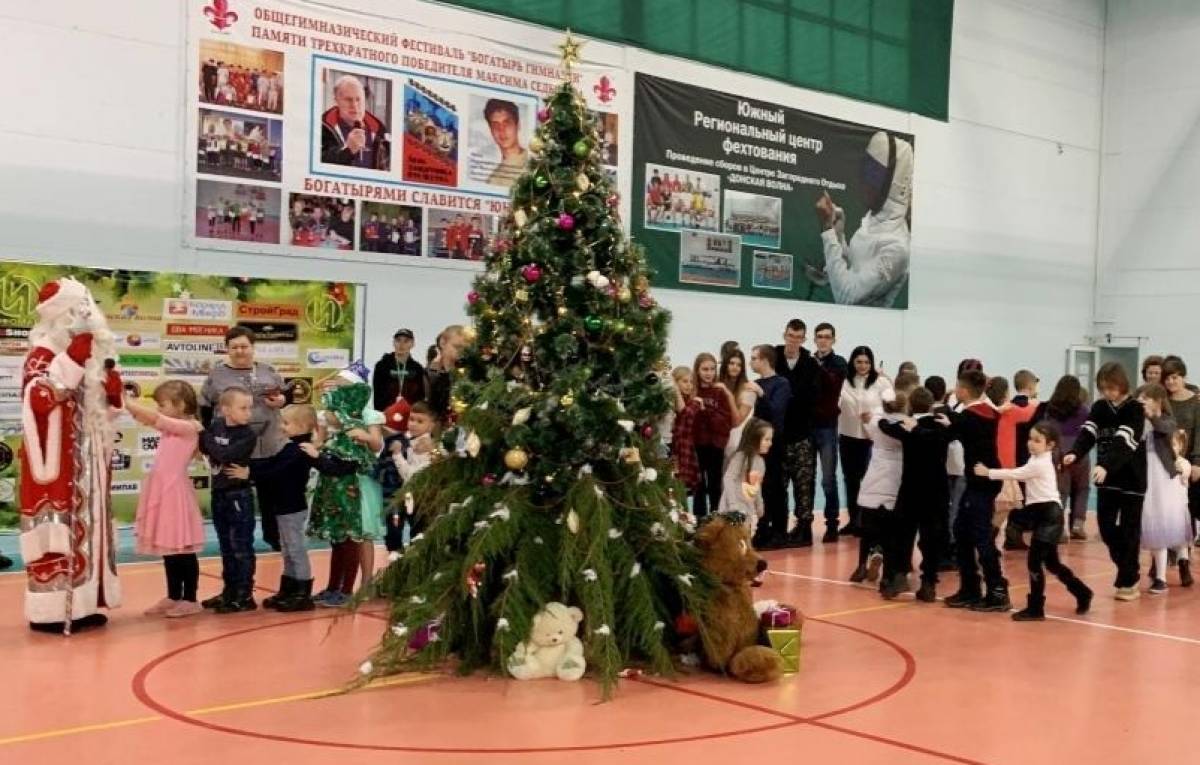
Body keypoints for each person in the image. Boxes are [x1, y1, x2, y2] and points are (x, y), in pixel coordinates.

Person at [20, 278, 124, 633]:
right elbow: (38, 399)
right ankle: (51, 611)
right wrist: (70, 361)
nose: (87, 317)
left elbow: (99, 413)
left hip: (90, 463)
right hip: (58, 462)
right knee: (59, 530)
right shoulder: (43, 354)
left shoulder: (93, 357)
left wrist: (112, 396)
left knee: (90, 530)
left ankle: (85, 602)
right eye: (79, 311)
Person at [974, 423, 1094, 620]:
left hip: (1050, 517)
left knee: (1034, 562)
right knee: (1052, 563)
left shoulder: (1041, 463)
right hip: (1041, 515)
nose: (1031, 443)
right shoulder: (1036, 458)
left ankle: (1036, 608)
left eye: (1037, 441)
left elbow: (1018, 474)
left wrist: (989, 472)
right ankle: (1082, 592)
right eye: (1030, 439)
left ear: (1050, 445)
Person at [227, 405, 329, 612]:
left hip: (292, 507)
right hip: (283, 506)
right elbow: (272, 463)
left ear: (302, 426)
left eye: (286, 423)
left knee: (295, 549)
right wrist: (251, 466)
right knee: (287, 548)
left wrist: (250, 473)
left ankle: (302, 592)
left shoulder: (300, 450)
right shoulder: (290, 447)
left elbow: (276, 470)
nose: (282, 426)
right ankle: (289, 587)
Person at [200, 326, 290, 551]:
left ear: (253, 347)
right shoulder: (216, 375)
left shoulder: (268, 370)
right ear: (227, 349)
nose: (240, 351)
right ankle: (234, 544)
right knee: (233, 497)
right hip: (232, 449)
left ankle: (274, 539)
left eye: (244, 346)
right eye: (234, 347)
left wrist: (282, 401)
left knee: (271, 496)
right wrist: (207, 440)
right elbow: (205, 407)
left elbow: (286, 394)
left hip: (268, 444)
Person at [1064, 362, 1146, 601]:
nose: (1107, 392)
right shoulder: (1100, 407)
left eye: (1111, 388)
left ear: (1122, 384)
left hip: (1132, 479)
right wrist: (1076, 452)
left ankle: (1128, 580)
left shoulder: (1135, 409)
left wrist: (1105, 465)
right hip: (1106, 479)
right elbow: (1088, 432)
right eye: (1103, 388)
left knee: (1130, 530)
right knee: (1107, 528)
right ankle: (1129, 570)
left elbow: (1124, 440)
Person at [127, 382, 205, 619]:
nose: (159, 409)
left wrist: (126, 400)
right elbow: (147, 418)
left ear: (180, 405)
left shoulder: (189, 427)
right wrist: (123, 403)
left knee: (182, 548)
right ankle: (173, 595)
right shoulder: (173, 427)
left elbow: (154, 418)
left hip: (174, 493)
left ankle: (190, 599)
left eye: (163, 405)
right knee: (169, 548)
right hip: (162, 490)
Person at [308, 365, 384, 607]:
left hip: (357, 484)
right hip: (333, 482)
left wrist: (363, 435)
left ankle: (361, 585)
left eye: (341, 387)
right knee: (339, 537)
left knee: (358, 534)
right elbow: (320, 442)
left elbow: (376, 444)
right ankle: (334, 587)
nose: (334, 391)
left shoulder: (366, 416)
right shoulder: (329, 416)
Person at [816, 131, 913, 307]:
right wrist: (839, 236)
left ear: (894, 184)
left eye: (874, 174)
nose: (864, 182)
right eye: (865, 170)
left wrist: (828, 232)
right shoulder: (873, 220)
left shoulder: (897, 249)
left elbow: (847, 297)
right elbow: (854, 271)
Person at [942, 369, 1010, 612]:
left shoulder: (969, 416)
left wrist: (939, 418)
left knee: (980, 536)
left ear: (963, 390)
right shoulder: (988, 411)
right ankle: (970, 587)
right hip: (982, 480)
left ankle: (997, 590)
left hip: (981, 481)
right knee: (962, 531)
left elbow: (946, 434)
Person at [878, 387, 953, 602]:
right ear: (931, 404)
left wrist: (893, 418)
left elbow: (884, 425)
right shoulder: (941, 426)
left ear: (910, 405)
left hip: (911, 487)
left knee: (903, 533)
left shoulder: (907, 426)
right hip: (937, 489)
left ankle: (899, 575)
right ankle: (929, 582)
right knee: (931, 537)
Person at [199, 387, 259, 614]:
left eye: (249, 408)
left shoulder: (247, 435)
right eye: (243, 408)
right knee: (226, 546)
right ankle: (229, 591)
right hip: (219, 493)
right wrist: (206, 438)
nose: (248, 413)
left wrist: (205, 436)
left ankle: (244, 594)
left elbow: (224, 455)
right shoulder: (216, 426)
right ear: (225, 410)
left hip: (238, 495)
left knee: (240, 546)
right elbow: (204, 447)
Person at [1135, 385, 1193, 593]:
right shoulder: (1139, 423)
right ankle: (1160, 577)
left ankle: (1183, 561)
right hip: (1148, 480)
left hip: (1166, 480)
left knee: (1174, 523)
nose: (1141, 402)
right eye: (1139, 399)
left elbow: (1164, 428)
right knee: (1154, 524)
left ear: (1158, 400)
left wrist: (1151, 417)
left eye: (1146, 398)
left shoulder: (1167, 420)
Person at [849, 389, 907, 592]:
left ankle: (861, 565)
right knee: (892, 532)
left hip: (874, 479)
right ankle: (889, 574)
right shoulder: (906, 426)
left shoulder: (877, 423)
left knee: (867, 528)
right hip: (895, 481)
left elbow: (868, 423)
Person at [775, 319, 822, 546]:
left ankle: (804, 529)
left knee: (804, 484)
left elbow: (813, 397)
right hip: (777, 435)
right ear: (784, 335)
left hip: (803, 434)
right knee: (777, 484)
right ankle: (778, 528)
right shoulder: (773, 358)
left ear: (804, 339)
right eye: (790, 336)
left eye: (798, 337)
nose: (793, 341)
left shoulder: (811, 365)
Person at [838, 346, 892, 538]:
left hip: (871, 438)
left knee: (869, 481)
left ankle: (868, 522)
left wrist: (875, 414)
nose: (862, 366)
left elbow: (892, 406)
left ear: (872, 363)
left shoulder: (881, 382)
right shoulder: (844, 381)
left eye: (867, 362)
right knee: (850, 480)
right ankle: (854, 520)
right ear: (852, 362)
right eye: (859, 362)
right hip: (847, 436)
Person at [378, 400, 435, 554]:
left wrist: (397, 455)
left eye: (420, 421)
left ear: (431, 425)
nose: (413, 424)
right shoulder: (409, 439)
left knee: (418, 534)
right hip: (404, 495)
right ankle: (396, 557)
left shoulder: (427, 447)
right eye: (411, 419)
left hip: (420, 498)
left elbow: (411, 476)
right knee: (394, 532)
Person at [748, 345, 792, 549]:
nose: (751, 362)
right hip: (758, 443)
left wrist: (761, 394)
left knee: (776, 487)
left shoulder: (781, 383)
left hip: (775, 443)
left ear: (765, 360)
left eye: (754, 358)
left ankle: (779, 531)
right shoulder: (757, 383)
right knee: (761, 486)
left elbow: (776, 412)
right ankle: (763, 527)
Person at [1043, 375, 1092, 540]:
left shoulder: (1051, 410)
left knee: (1060, 491)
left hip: (1057, 451)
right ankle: (1078, 524)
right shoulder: (1084, 410)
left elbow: (1046, 431)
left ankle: (1059, 529)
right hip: (1079, 451)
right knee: (1082, 489)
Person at [811, 323, 848, 540]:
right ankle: (803, 523)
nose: (823, 340)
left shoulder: (839, 362)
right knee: (806, 479)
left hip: (827, 427)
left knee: (828, 479)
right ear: (814, 339)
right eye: (819, 336)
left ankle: (832, 524)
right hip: (808, 427)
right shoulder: (808, 361)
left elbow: (834, 386)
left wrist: (818, 368)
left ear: (834, 339)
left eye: (827, 336)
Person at [997, 370, 1042, 551]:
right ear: (1031, 385)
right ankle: (1014, 533)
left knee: (1010, 499)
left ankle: (1009, 533)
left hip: (1008, 457)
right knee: (1022, 498)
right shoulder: (1032, 409)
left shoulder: (1006, 407)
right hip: (1026, 457)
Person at [1161, 356, 1200, 543]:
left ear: (1183, 377)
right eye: (1167, 378)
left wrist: (1197, 462)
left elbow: (1199, 432)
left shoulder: (1196, 401)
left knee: (1190, 504)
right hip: (1167, 460)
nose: (1171, 382)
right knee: (1170, 505)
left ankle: (1187, 546)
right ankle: (1170, 546)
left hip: (1190, 461)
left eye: (1174, 377)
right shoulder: (1163, 401)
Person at [692, 353, 735, 517]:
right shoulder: (692, 391)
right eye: (705, 369)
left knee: (715, 484)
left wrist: (705, 411)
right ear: (697, 370)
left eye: (712, 369)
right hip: (697, 444)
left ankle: (715, 518)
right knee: (698, 485)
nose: (709, 373)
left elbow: (724, 422)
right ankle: (699, 520)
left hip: (715, 445)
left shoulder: (720, 392)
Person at [320, 74, 390, 170]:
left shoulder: (380, 131)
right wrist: (347, 151)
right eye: (348, 100)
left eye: (358, 99)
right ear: (336, 101)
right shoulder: (322, 128)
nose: (354, 105)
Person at [718, 418, 773, 537]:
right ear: (754, 439)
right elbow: (728, 478)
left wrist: (759, 504)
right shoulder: (740, 457)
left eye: (770, 439)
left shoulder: (760, 462)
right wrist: (732, 504)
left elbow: (756, 486)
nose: (770, 443)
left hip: (746, 508)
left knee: (744, 537)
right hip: (732, 508)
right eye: (767, 439)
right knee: (732, 539)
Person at [371, 328, 428, 415]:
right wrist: (381, 414)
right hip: (386, 414)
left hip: (409, 415)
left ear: (412, 344)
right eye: (398, 340)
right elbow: (377, 394)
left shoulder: (417, 368)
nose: (401, 344)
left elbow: (420, 396)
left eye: (406, 341)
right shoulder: (382, 366)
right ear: (393, 343)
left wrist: (415, 414)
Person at [483, 99, 527, 188]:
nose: (501, 130)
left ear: (518, 125)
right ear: (491, 131)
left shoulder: (534, 162)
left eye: (507, 123)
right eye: (495, 125)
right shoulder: (492, 180)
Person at [427, 325, 466, 425]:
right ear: (443, 343)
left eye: (465, 349)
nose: (461, 352)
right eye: (457, 346)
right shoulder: (429, 376)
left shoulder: (469, 376)